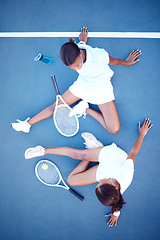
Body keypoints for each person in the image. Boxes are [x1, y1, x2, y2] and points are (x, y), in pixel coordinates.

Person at [11, 27, 141, 134]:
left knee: (114, 129)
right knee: (55, 108)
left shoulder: (99, 56)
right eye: (71, 68)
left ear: (80, 53)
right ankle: (26, 124)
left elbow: (113, 60)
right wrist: (82, 41)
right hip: (82, 86)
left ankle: (85, 109)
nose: (75, 69)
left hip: (101, 91)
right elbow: (79, 47)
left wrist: (126, 62)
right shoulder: (76, 50)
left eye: (77, 66)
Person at [24, 118, 152, 227]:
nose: (100, 179)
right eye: (102, 181)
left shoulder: (112, 193)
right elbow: (134, 152)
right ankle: (42, 150)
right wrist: (142, 134)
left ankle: (92, 150)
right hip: (111, 156)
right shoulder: (126, 172)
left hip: (105, 168)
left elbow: (116, 203)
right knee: (76, 154)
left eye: (98, 183)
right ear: (114, 187)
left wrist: (116, 213)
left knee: (71, 180)